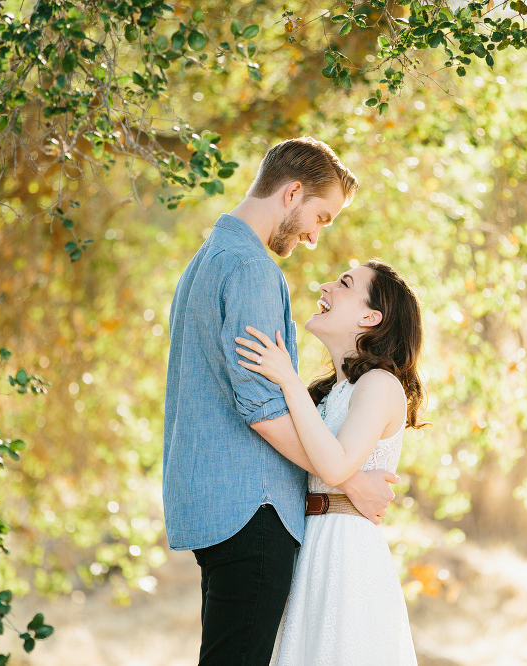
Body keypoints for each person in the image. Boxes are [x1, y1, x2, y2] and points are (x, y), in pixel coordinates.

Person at [162, 137, 399, 666]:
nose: (316, 237)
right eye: (321, 216)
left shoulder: (207, 260)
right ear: (292, 192)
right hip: (254, 508)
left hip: (219, 505)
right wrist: (350, 479)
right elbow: (264, 411)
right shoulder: (252, 270)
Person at [235, 259, 425, 665]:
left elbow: (335, 466)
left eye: (344, 283)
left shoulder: (380, 384)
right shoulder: (328, 393)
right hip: (311, 541)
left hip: (347, 551)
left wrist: (287, 380)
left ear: (370, 317)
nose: (324, 286)